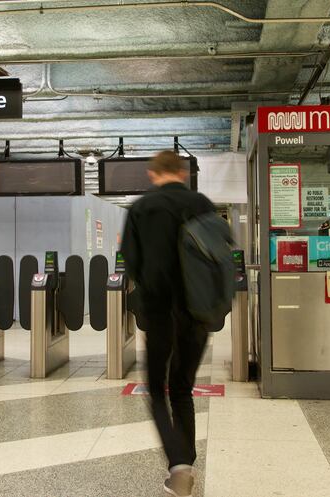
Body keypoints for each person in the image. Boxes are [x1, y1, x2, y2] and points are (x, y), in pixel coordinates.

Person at [121, 150, 215, 497]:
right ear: (182, 173)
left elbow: (131, 263)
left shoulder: (142, 208)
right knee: (182, 388)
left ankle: (178, 466)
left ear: (153, 174)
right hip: (199, 312)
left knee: (157, 390)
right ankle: (187, 463)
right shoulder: (202, 203)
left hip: (161, 312)